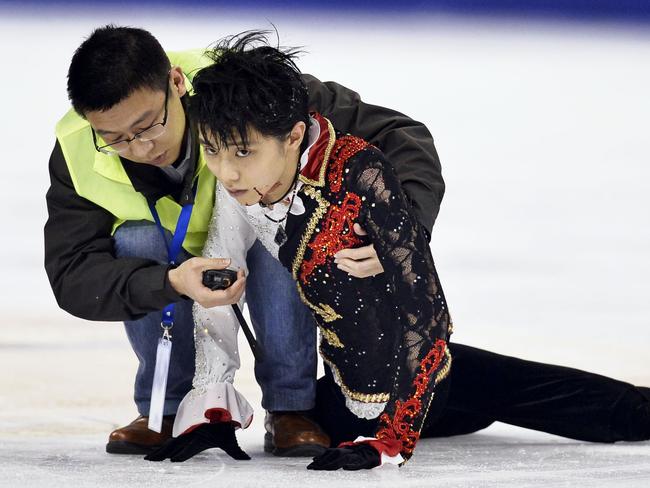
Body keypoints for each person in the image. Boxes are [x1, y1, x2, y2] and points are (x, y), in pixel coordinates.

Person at [145, 32, 650, 470]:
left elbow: (428, 318)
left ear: (295, 134)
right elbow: (219, 281)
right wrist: (213, 407)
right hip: (345, 398)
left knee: (566, 403)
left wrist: (394, 437)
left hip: (422, 375)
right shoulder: (242, 192)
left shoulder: (358, 175)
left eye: (243, 152)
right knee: (333, 415)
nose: (227, 172)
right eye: (211, 150)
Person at [44, 25, 446, 456]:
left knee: (277, 221)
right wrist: (173, 282)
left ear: (177, 83)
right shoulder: (75, 151)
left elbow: (401, 135)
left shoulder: (244, 87)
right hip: (170, 258)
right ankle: (165, 409)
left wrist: (401, 236)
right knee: (137, 239)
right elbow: (73, 275)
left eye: (148, 126)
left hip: (261, 238)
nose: (140, 147)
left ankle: (292, 407)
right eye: (114, 138)